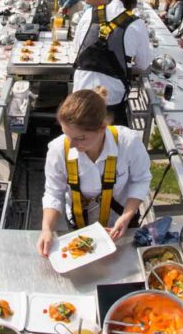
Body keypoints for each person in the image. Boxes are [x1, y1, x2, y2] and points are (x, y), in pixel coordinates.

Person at [36, 88, 152, 257]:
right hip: (78, 223)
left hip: (118, 223)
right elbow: (54, 192)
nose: (72, 144)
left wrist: (127, 216)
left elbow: (141, 180)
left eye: (80, 138)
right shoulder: (58, 149)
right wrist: (47, 229)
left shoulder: (128, 143)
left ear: (102, 128)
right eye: (66, 135)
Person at [73, 0, 151, 126]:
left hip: (81, 88)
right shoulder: (136, 23)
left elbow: (76, 48)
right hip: (112, 98)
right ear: (131, 7)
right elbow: (143, 64)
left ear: (110, 1)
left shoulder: (89, 13)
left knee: (81, 128)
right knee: (109, 137)